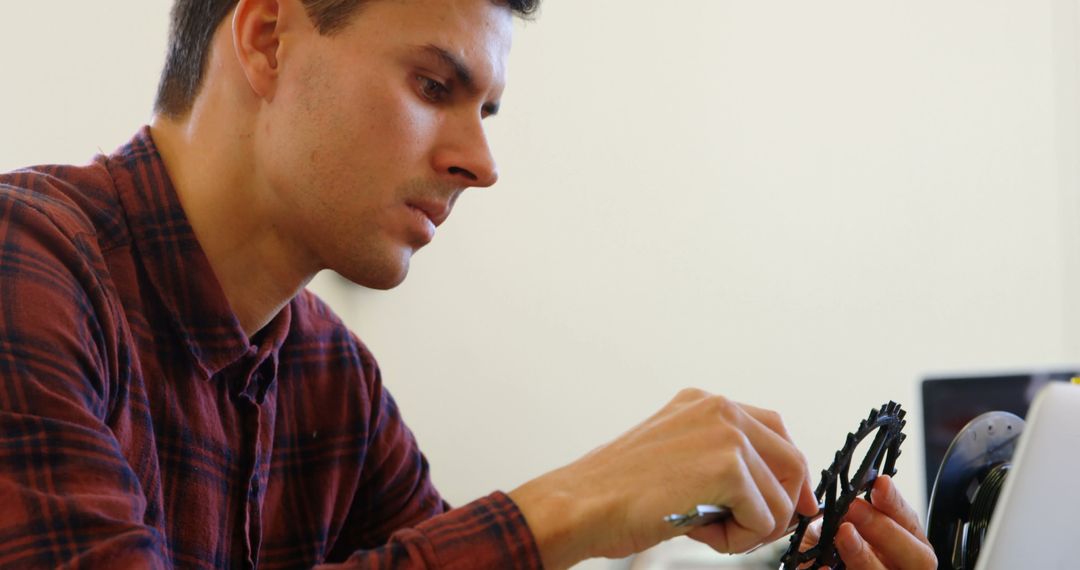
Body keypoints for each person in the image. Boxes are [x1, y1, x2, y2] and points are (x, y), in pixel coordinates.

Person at [0, 0, 936, 568]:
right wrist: (571, 504)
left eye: (485, 109)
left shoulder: (331, 380)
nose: (482, 162)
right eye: (434, 86)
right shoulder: (25, 268)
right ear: (269, 38)